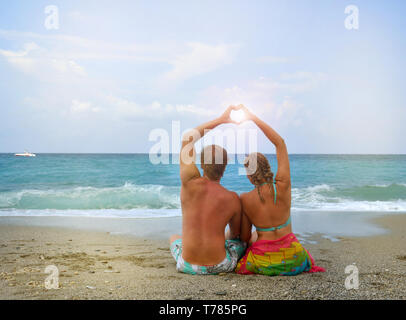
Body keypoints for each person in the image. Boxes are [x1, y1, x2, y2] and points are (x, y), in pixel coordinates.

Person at [235, 105, 325, 276]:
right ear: (267, 167)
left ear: (249, 175)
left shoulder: (245, 199)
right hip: (293, 259)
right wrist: (252, 117)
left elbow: (245, 238)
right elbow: (280, 143)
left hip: (264, 262)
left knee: (251, 243)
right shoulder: (283, 185)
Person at [169, 106, 246, 275]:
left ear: (201, 164)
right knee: (239, 243)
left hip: (186, 265)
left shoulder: (189, 182)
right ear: (225, 167)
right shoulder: (232, 198)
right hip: (219, 265)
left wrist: (220, 120)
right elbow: (235, 235)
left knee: (174, 238)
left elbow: (187, 139)